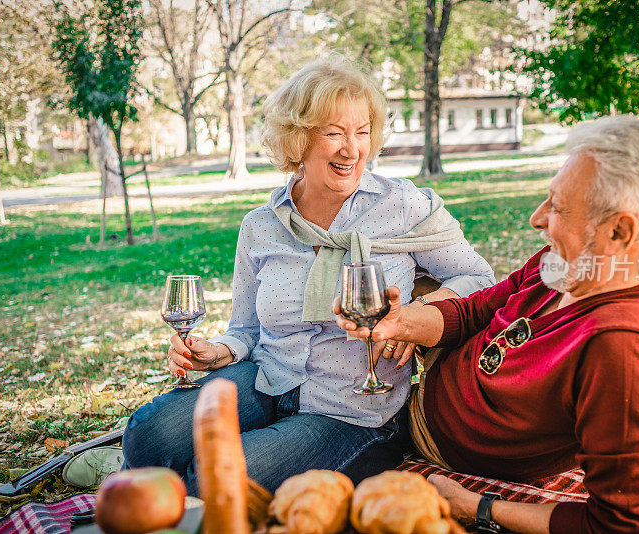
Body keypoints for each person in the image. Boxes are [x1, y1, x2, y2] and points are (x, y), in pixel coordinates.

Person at [58, 55, 495, 494]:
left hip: (354, 411)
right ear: (299, 139)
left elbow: (480, 279)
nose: (352, 149)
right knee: (149, 434)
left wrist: (419, 314)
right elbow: (246, 329)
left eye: (362, 132)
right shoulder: (261, 225)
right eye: (333, 133)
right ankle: (151, 471)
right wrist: (218, 352)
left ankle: (157, 482)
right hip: (268, 378)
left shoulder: (402, 205)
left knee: (219, 480)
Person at [335, 115, 639, 533]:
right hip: (410, 391)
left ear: (619, 230)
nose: (537, 219)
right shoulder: (563, 266)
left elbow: (621, 524)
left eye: (557, 206)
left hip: (418, 439)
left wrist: (476, 507)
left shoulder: (621, 346)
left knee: (258, 468)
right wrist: (400, 323)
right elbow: (477, 312)